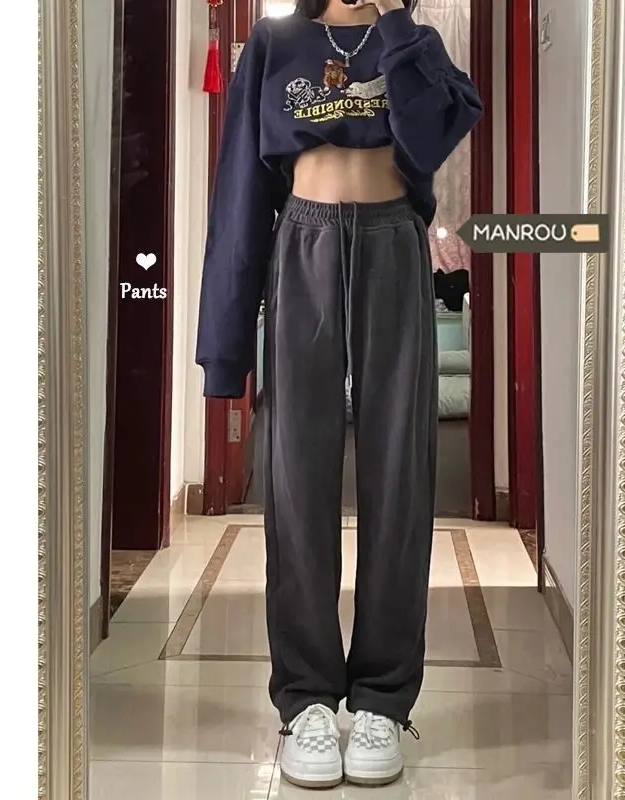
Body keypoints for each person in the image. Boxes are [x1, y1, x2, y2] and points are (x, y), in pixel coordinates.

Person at [196, 0, 483, 789]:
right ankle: (308, 700)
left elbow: (432, 136)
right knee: (297, 476)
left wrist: (394, 24)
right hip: (304, 242)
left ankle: (384, 698)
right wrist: (225, 349)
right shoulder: (274, 42)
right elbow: (240, 194)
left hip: (394, 244)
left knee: (400, 474)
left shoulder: (415, 43)